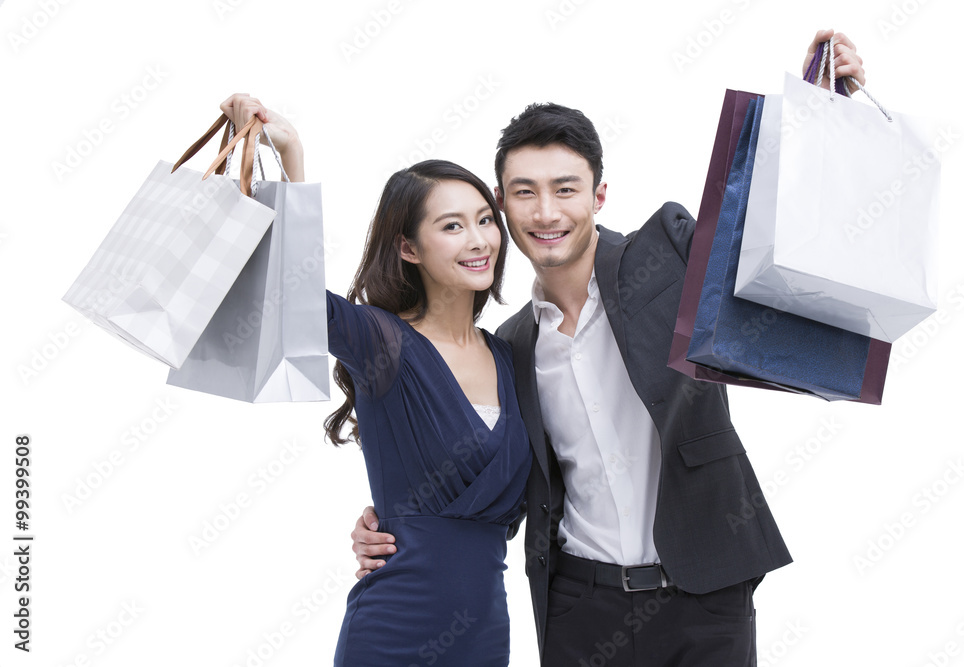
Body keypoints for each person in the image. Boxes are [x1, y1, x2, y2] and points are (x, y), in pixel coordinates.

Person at [350, 30, 867, 665]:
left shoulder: (670, 258)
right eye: (524, 192)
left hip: (706, 598)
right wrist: (402, 520)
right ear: (502, 208)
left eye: (566, 189)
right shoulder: (508, 349)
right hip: (577, 609)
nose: (546, 212)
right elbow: (492, 468)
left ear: (599, 195)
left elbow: (768, 245)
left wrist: (823, 120)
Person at [218, 95, 533, 665]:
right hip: (394, 633)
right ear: (409, 248)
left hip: (486, 635)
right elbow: (292, 292)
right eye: (452, 226)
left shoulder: (510, 356)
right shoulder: (383, 342)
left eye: (486, 219)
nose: (480, 240)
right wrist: (291, 154)